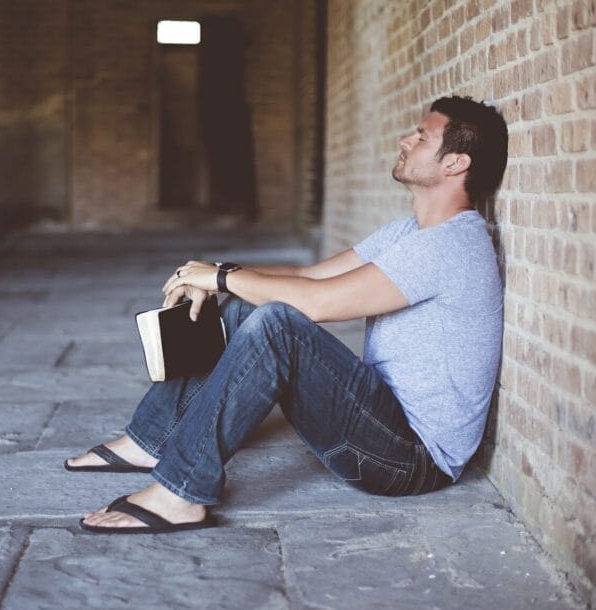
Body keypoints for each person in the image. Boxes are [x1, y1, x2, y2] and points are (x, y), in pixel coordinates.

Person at [66, 95, 509, 534]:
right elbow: (306, 276)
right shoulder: (409, 232)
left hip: (408, 459)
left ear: (455, 163)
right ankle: (151, 440)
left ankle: (180, 491)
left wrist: (219, 277)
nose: (404, 139)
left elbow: (317, 304)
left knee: (277, 324)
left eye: (421, 135)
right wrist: (215, 274)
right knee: (247, 304)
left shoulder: (451, 245)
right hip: (380, 418)